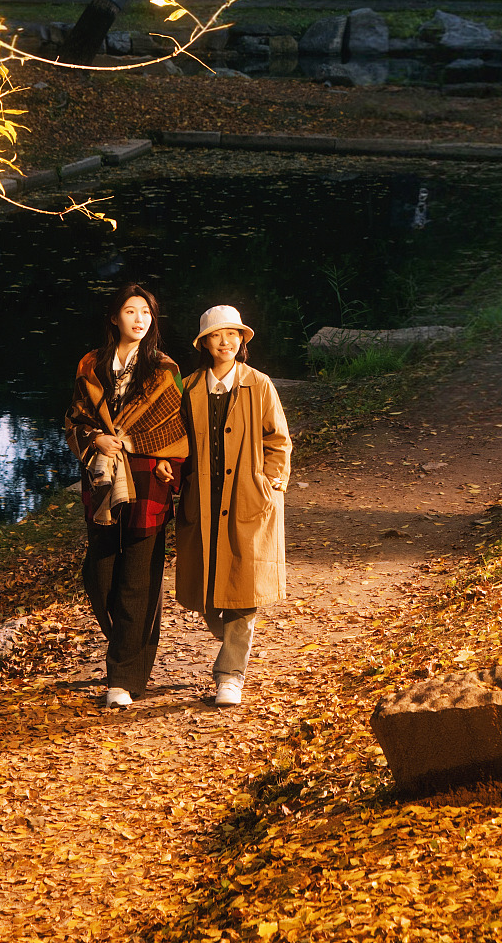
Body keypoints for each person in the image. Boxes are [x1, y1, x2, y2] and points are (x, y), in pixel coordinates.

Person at [65, 282, 189, 709]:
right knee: (99, 578)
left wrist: (160, 456)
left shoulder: (163, 369)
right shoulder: (91, 364)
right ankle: (130, 648)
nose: (139, 319)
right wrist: (95, 438)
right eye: (131, 311)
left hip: (149, 479)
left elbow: (176, 426)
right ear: (114, 317)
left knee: (139, 581)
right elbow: (74, 418)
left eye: (146, 312)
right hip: (102, 481)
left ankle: (123, 676)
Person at [176, 303, 291, 707]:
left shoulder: (259, 384)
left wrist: (270, 482)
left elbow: (278, 440)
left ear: (242, 340)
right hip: (202, 499)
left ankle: (230, 676)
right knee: (207, 590)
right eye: (216, 335)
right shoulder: (188, 387)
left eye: (232, 334)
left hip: (248, 498)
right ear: (204, 343)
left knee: (244, 588)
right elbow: (176, 442)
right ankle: (229, 641)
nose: (225, 342)